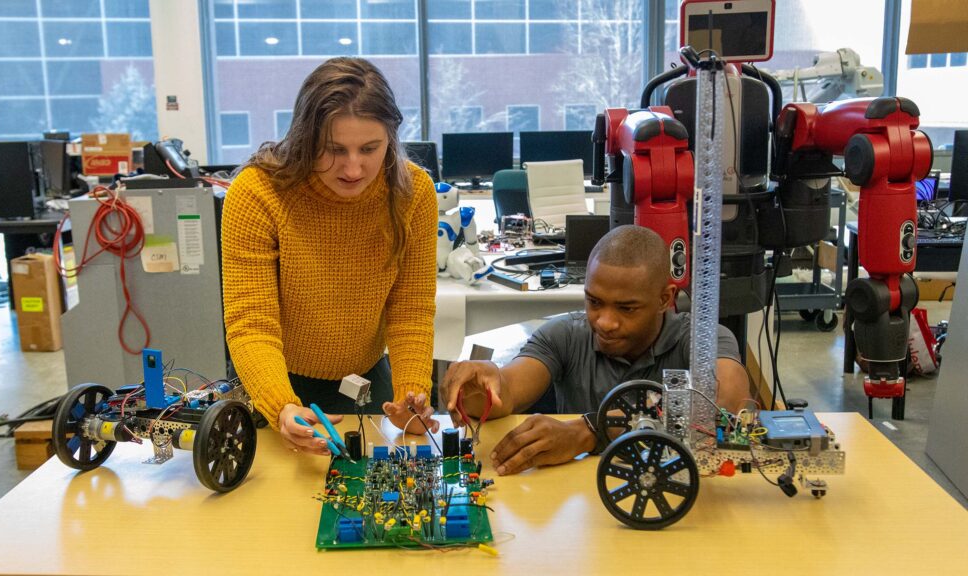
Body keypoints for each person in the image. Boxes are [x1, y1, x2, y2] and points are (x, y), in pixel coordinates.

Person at [221, 57, 439, 457]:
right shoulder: (256, 194)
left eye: (369, 148)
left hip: (367, 379)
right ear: (305, 137)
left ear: (391, 137)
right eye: (334, 149)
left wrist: (411, 395)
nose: (353, 167)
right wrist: (280, 404)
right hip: (274, 381)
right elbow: (251, 322)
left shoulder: (413, 193)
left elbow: (410, 308)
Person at [443, 225, 749, 475]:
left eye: (627, 308)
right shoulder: (565, 335)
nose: (604, 322)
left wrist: (590, 431)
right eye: (594, 302)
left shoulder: (702, 339)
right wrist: (478, 387)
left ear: (664, 299)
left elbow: (727, 404)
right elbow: (506, 391)